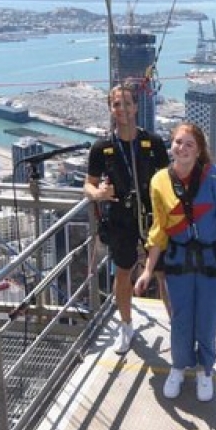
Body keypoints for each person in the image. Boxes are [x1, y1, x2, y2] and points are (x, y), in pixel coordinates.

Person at [134, 121, 216, 402]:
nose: (183, 148)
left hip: (214, 261)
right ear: (170, 146)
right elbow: (159, 229)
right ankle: (178, 366)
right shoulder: (159, 181)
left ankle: (205, 370)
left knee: (208, 322)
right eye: (178, 142)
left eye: (190, 144)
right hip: (180, 261)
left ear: (199, 151)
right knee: (180, 320)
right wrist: (148, 270)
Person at [84, 83, 169, 354]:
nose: (121, 109)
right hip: (120, 215)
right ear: (111, 109)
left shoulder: (152, 143)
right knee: (123, 271)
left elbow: (168, 180)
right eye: (116, 104)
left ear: (136, 107)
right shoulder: (102, 147)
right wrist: (98, 193)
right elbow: (88, 184)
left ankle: (176, 326)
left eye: (126, 103)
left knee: (162, 272)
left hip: (151, 215)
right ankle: (126, 325)